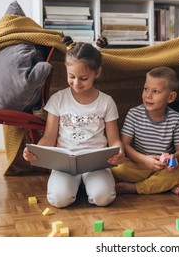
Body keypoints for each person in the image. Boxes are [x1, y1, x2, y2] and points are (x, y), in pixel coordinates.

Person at [23, 36, 125, 208]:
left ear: (97, 73)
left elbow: (114, 139)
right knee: (58, 200)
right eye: (71, 77)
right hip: (64, 165)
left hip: (96, 165)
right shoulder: (58, 99)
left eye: (84, 78)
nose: (76, 83)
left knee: (103, 198)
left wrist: (119, 152)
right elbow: (49, 137)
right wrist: (36, 151)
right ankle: (75, 185)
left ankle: (89, 185)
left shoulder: (106, 102)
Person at [111, 66, 179, 195]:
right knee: (115, 167)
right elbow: (125, 145)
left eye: (156, 91)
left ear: (170, 97)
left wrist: (174, 158)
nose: (148, 96)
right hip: (139, 164)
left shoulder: (176, 119)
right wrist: (144, 160)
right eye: (146, 89)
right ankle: (165, 184)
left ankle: (137, 188)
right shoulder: (134, 113)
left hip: (165, 168)